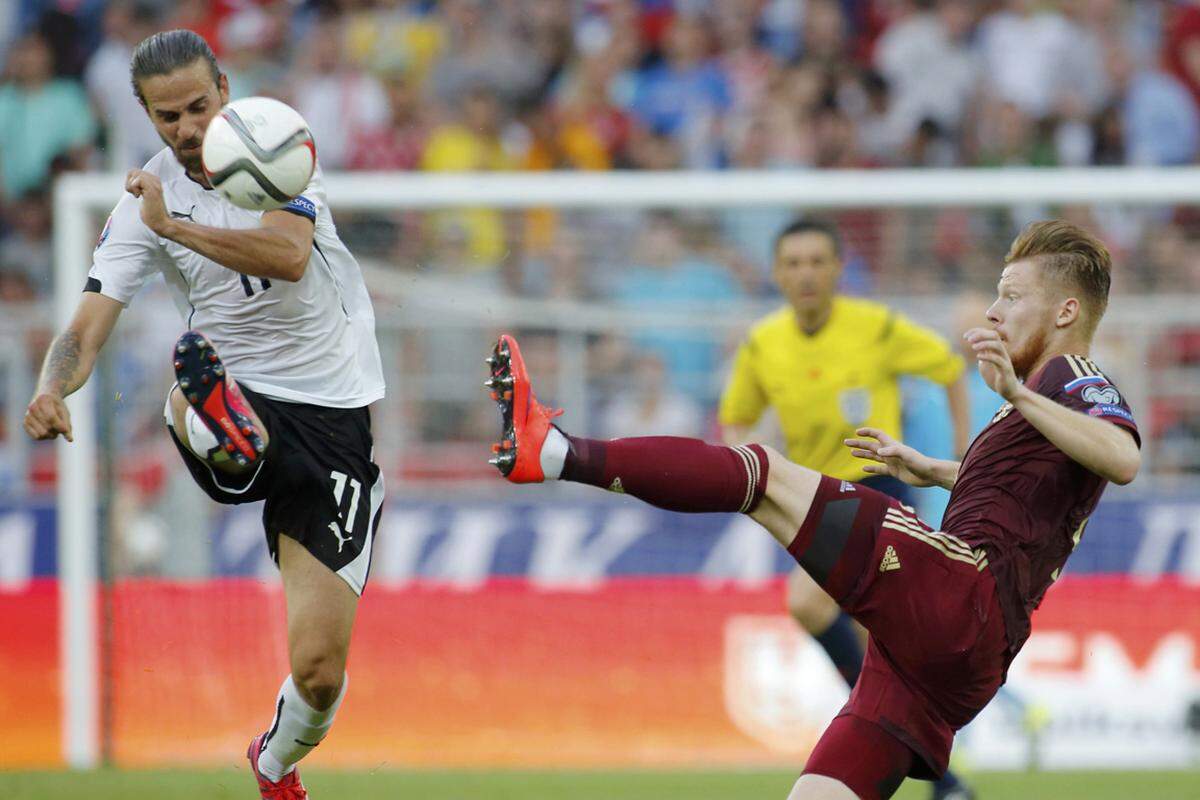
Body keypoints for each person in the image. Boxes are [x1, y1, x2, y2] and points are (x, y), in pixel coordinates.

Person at [485, 219, 1139, 800]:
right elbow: (1031, 499)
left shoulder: (1074, 377)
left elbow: (1123, 457)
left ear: (1064, 312)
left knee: (762, 475)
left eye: (1012, 296)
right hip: (947, 668)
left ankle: (559, 453)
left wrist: (1017, 395)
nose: (995, 311)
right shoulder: (1040, 400)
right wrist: (938, 469)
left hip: (960, 592)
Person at [23, 30, 385, 800]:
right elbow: (86, 325)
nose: (186, 130)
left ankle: (275, 763)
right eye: (167, 117)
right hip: (242, 390)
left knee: (320, 675)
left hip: (334, 421)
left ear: (224, 89)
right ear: (146, 116)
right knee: (193, 375)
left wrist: (175, 229)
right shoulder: (148, 196)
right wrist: (55, 387)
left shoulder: (275, 142)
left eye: (197, 107)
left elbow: (288, 255)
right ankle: (227, 431)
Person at [718, 217, 972, 800]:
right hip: (810, 501)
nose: (806, 273)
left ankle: (924, 762)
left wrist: (961, 458)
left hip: (877, 489)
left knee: (806, 603)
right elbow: (735, 417)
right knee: (876, 655)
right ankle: (940, 776)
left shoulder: (875, 327)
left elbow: (950, 369)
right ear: (777, 273)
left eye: (817, 261)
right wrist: (745, 469)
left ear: (838, 269)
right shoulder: (763, 344)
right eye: (794, 263)